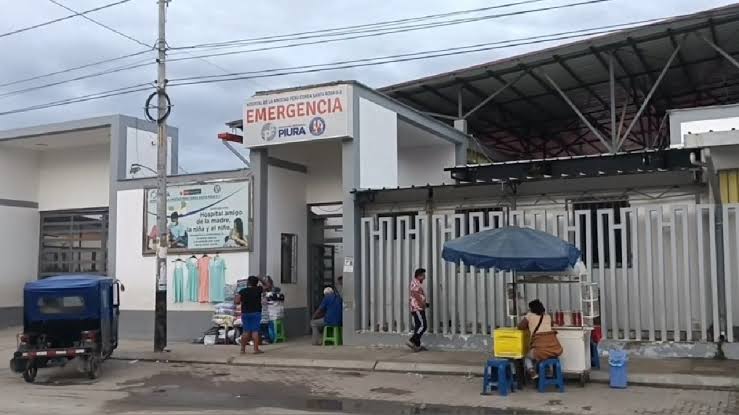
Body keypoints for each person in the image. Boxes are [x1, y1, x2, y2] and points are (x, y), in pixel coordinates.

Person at [518, 299, 563, 380]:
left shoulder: (529, 316)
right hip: (554, 349)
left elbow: (520, 327)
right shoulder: (548, 316)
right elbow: (551, 324)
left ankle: (532, 371)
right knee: (542, 355)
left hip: (540, 350)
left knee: (527, 356)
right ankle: (547, 372)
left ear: (531, 309)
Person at [238, 276, 263, 354]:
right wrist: (261, 279)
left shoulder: (242, 291)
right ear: (256, 283)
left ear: (248, 282)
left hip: (245, 313)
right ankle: (256, 349)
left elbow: (236, 301)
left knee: (246, 331)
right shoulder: (258, 289)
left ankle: (242, 349)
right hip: (256, 313)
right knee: (255, 331)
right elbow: (269, 287)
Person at [407, 268, 429, 351]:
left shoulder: (417, 283)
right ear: (419, 276)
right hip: (417, 308)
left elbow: (418, 294)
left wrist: (425, 303)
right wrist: (422, 303)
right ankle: (412, 340)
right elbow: (415, 294)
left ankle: (417, 346)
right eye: (423, 275)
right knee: (423, 326)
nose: (424, 277)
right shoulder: (415, 282)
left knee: (418, 326)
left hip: (417, 307)